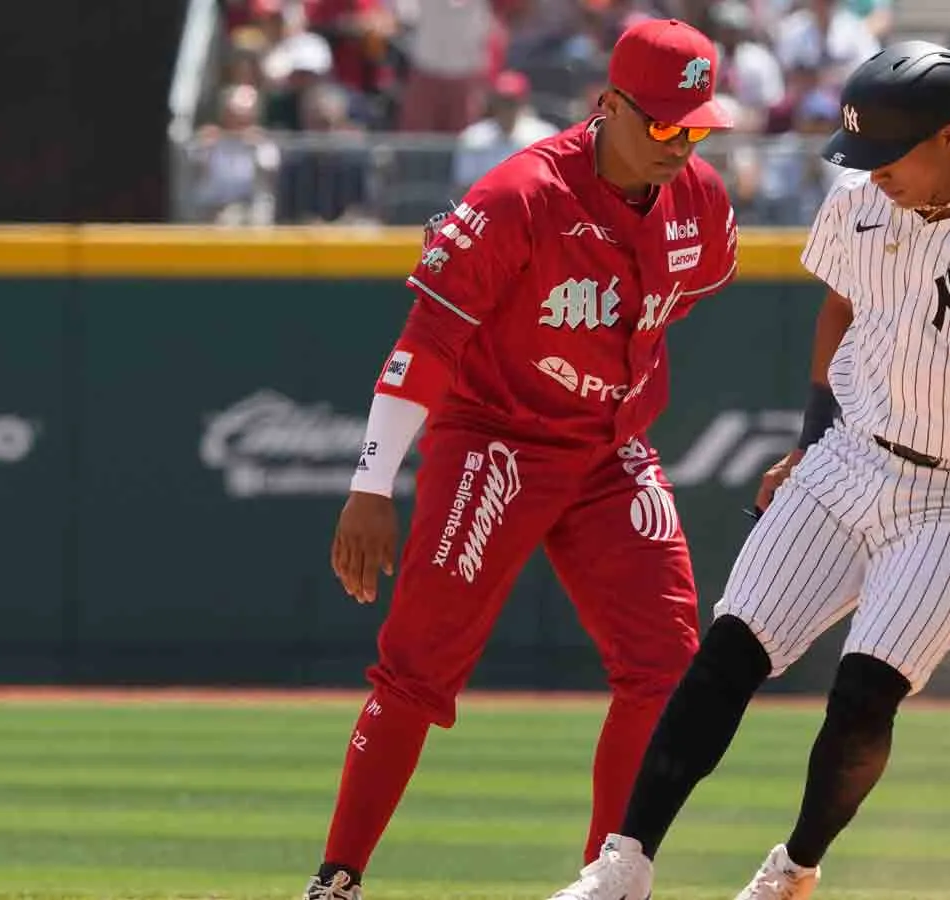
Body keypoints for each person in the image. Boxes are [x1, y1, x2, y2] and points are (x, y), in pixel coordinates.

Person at [546, 40, 950, 900]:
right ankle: (624, 866)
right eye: (863, 153)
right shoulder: (859, 203)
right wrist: (813, 438)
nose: (872, 171)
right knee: (726, 655)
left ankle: (793, 870)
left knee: (863, 693)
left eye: (891, 152)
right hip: (848, 459)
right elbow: (840, 306)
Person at [302, 18, 740, 900]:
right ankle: (337, 881)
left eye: (696, 125)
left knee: (667, 665)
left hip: (609, 448)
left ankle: (610, 884)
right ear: (607, 104)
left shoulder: (701, 201)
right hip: (497, 438)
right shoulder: (519, 195)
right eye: (662, 124)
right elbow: (424, 342)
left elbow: (670, 310)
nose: (680, 143)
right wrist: (370, 484)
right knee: (419, 669)